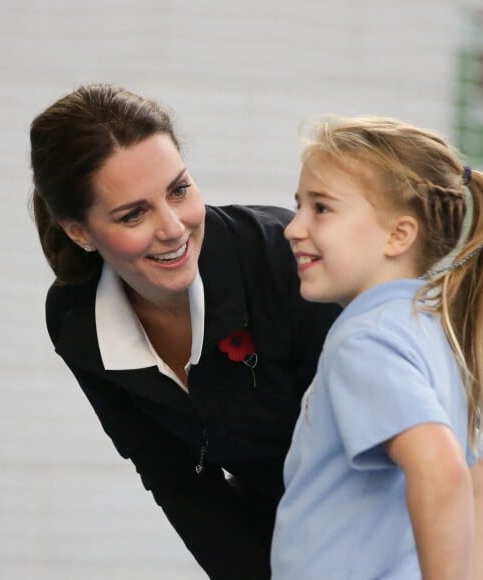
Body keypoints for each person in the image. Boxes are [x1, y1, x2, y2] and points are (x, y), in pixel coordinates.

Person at [29, 83, 340, 580]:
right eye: (134, 213)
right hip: (278, 534)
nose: (173, 227)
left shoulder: (285, 264)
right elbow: (175, 479)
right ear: (79, 231)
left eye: (179, 190)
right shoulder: (76, 320)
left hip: (384, 524)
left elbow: (374, 457)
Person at [271, 116, 483, 579]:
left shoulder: (366, 340)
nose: (292, 228)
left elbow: (442, 471)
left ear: (398, 235)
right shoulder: (433, 334)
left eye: (321, 208)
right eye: (298, 205)